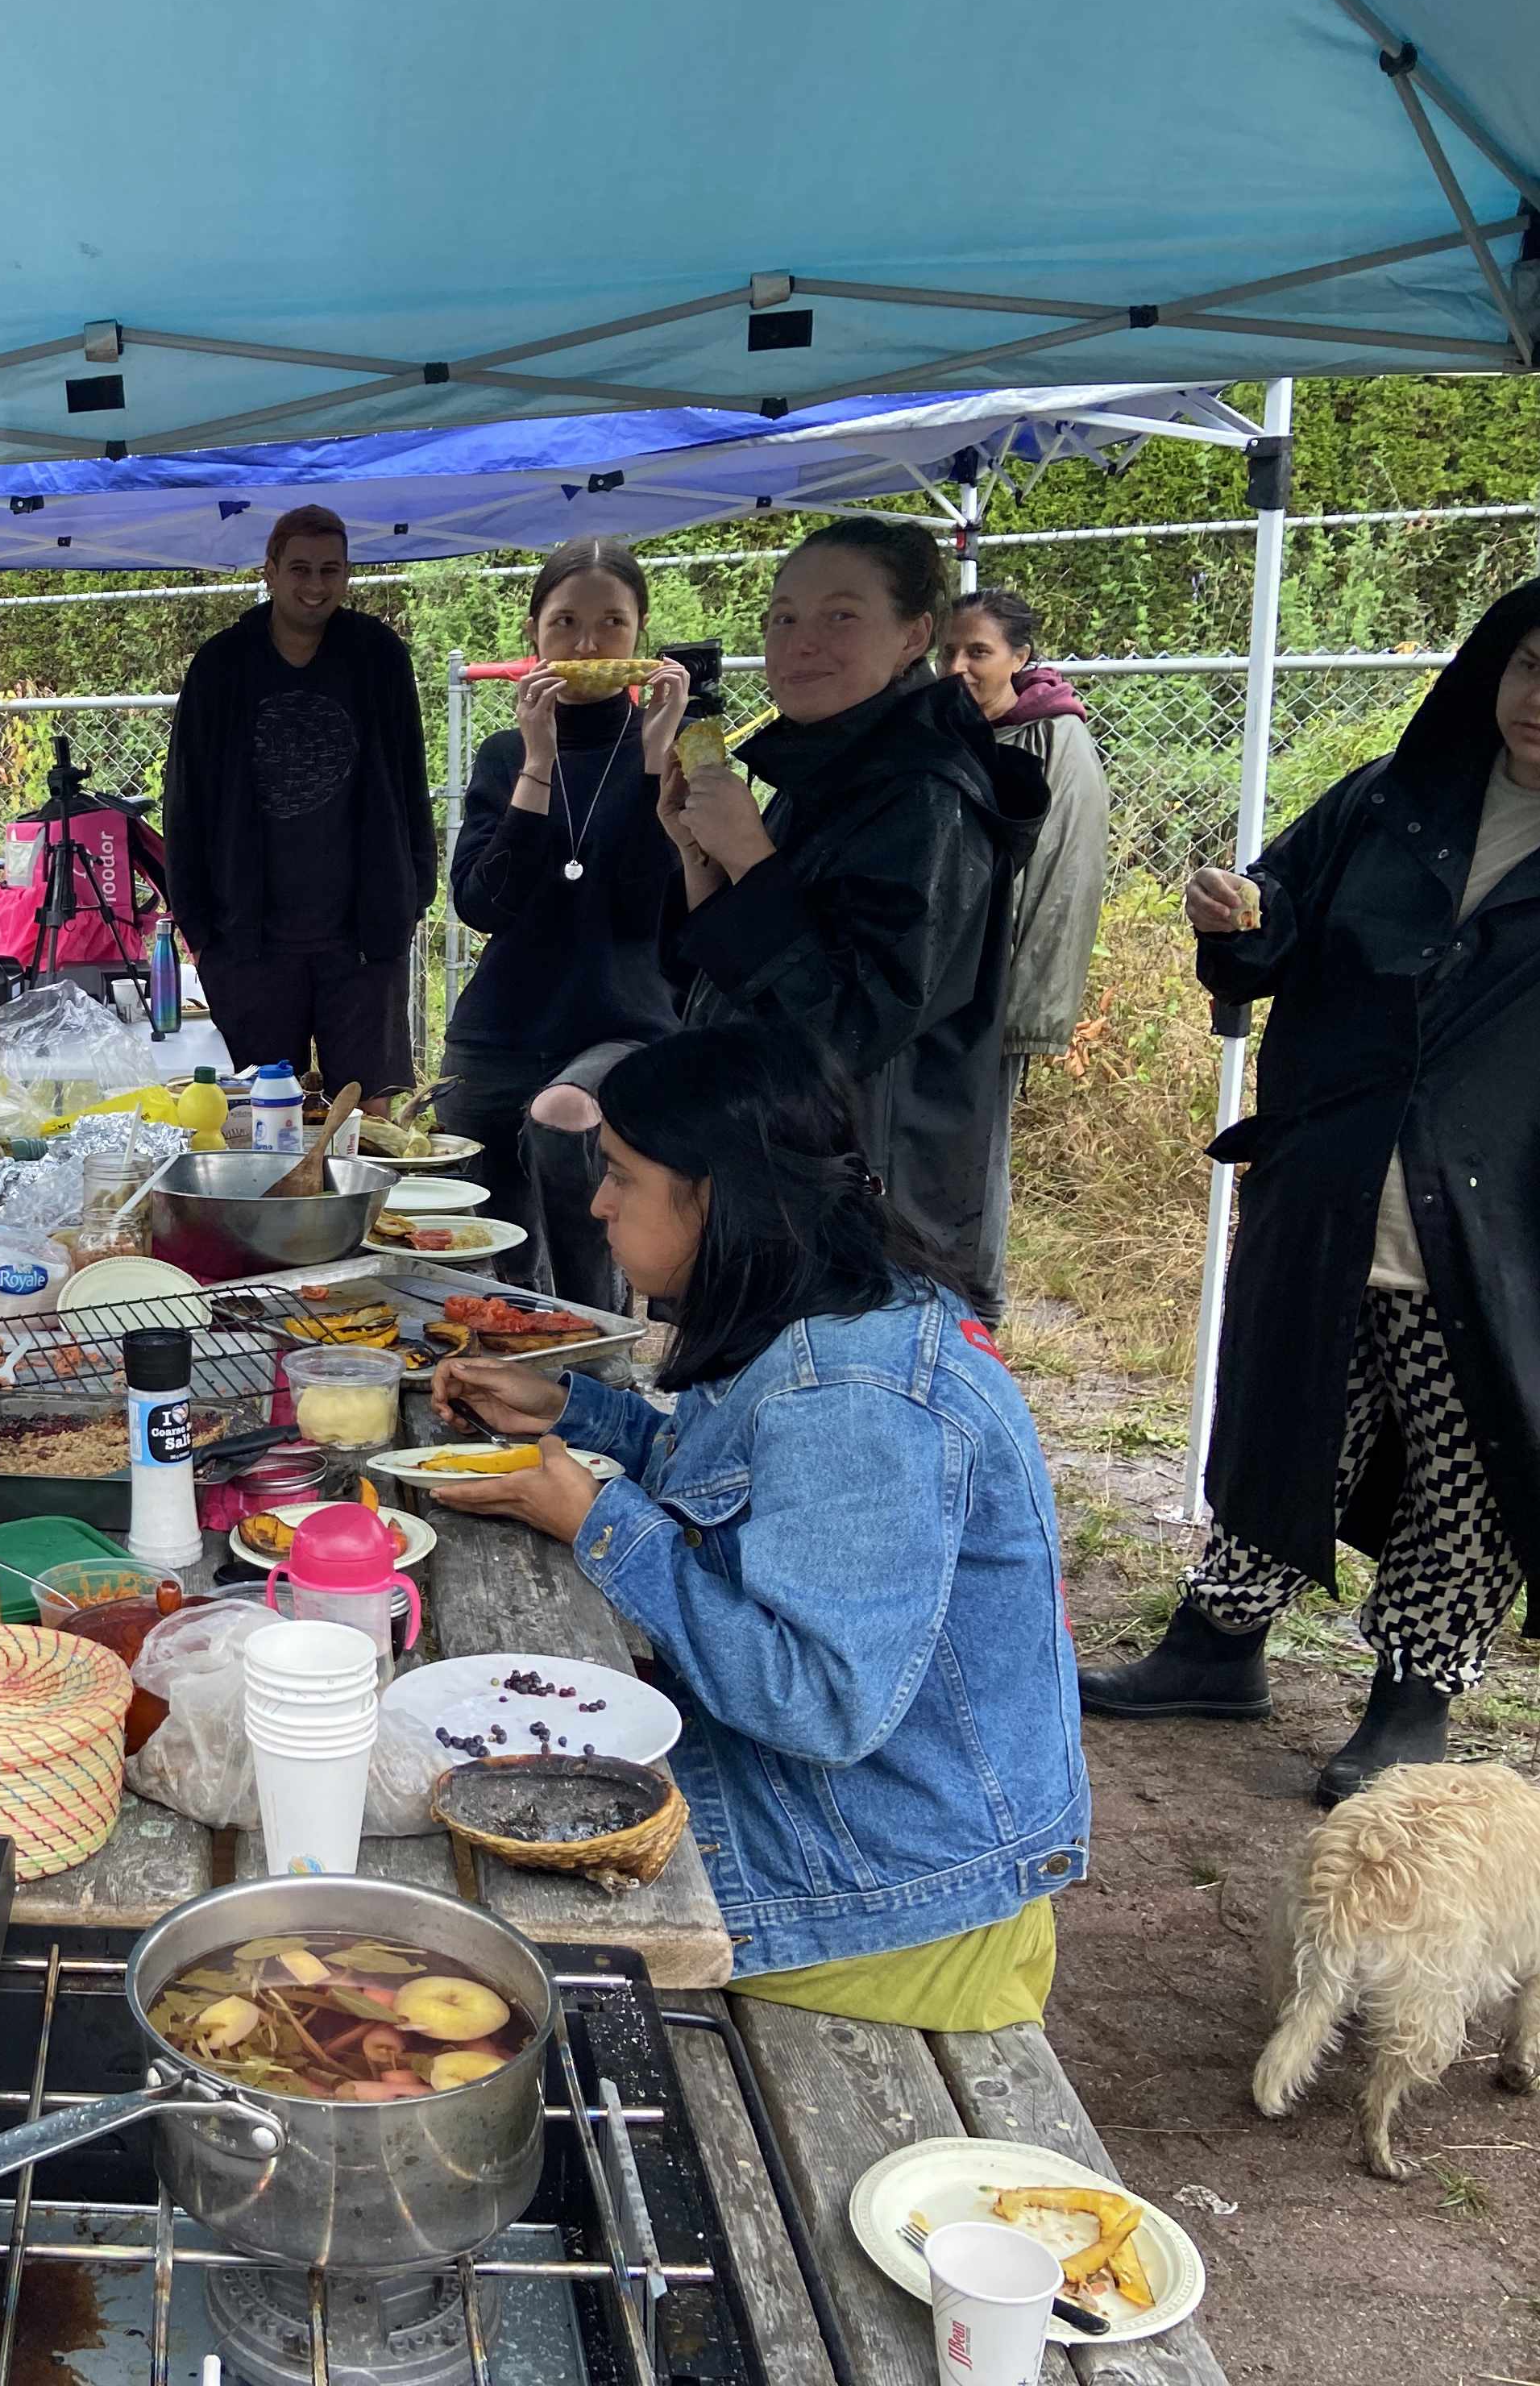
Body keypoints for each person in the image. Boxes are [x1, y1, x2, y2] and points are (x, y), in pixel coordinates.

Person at [1081, 547, 1540, 1803]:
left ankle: (1412, 1700)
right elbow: (1275, 936)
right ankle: (1216, 1647)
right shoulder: (1394, 802)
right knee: (1288, 1417)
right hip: (1334, 1185)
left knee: (1466, 1456)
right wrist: (1237, 920)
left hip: (1513, 1221)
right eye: (1530, 667)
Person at [430, 1024, 1087, 2019]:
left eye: (622, 1178)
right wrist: (577, 1410)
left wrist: (604, 1524)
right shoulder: (808, 1313)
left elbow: (821, 1701)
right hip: (842, 1816)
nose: (599, 1204)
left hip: (894, 1888)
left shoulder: (854, 1399)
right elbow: (749, 1496)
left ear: (717, 1194)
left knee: (466, 1928)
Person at [654, 517, 1046, 1309]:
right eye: (782, 618)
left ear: (912, 636)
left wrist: (751, 860)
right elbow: (734, 986)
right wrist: (705, 866)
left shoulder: (927, 796)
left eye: (840, 616)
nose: (800, 643)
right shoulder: (824, 770)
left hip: (868, 1223)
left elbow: (848, 1026)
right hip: (778, 1182)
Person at [438, 537, 690, 1300]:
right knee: (493, 1248)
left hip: (621, 1023)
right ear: (533, 634)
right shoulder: (502, 754)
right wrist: (537, 765)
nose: (587, 645)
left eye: (611, 625)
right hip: (503, 1026)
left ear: (640, 634)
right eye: (566, 624)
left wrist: (655, 759)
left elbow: (649, 903)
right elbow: (484, 905)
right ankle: (521, 1349)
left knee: (564, 1117)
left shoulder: (674, 753)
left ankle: (599, 1342)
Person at [163, 504, 436, 1102]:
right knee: (257, 1127)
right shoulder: (221, 666)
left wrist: (412, 897)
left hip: (363, 941)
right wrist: (199, 926)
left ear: (346, 576)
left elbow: (410, 780)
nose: (315, 587)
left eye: (330, 571)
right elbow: (184, 804)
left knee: (374, 1120)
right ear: (270, 571)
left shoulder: (379, 657)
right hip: (247, 942)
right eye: (301, 569)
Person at [940, 587, 1111, 1318]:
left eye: (978, 652)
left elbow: (1066, 878)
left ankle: (979, 1312)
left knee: (975, 1159)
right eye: (947, 651)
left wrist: (1025, 1009)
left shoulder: (1054, 739)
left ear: (1021, 657)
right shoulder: (935, 726)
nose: (958, 667)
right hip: (928, 978)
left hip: (993, 989)